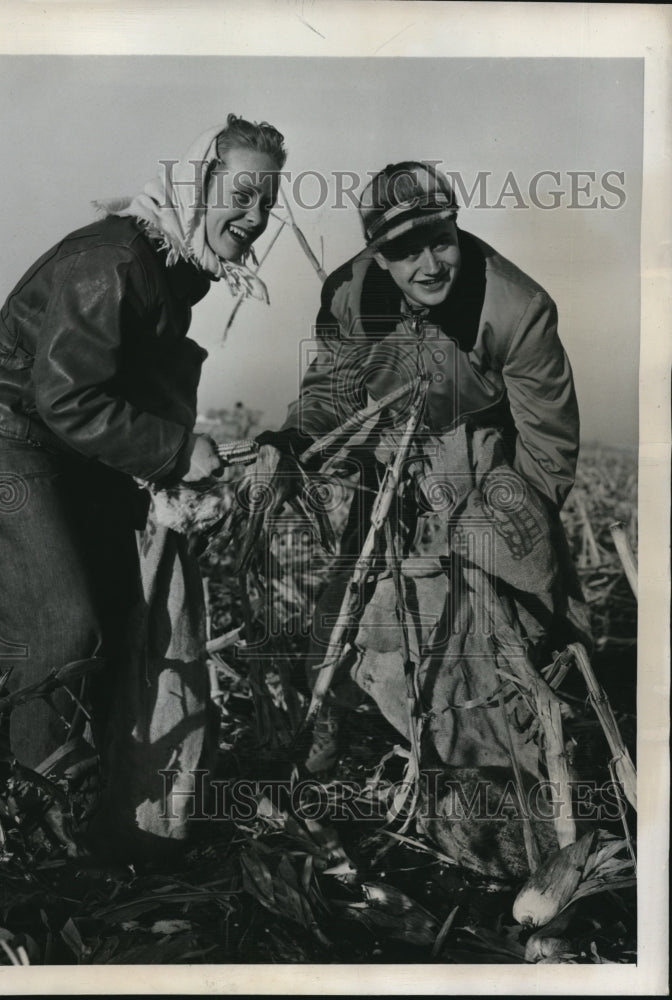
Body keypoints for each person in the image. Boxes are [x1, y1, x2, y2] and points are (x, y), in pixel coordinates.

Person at [0, 114, 286, 865]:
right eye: (241, 193)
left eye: (268, 201)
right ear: (196, 184)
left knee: (121, 613)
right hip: (12, 441)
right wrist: (175, 451)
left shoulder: (176, 266)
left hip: (72, 450)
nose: (255, 215)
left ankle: (108, 815)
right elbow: (67, 398)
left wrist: (180, 469)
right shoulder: (114, 260)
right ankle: (34, 829)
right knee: (63, 629)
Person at [258, 161, 590, 790]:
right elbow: (331, 389)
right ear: (379, 256)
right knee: (349, 608)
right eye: (406, 252)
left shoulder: (517, 308)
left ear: (457, 227)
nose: (431, 265)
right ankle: (325, 732)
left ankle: (506, 750)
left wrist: (503, 530)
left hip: (484, 464)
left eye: (441, 241)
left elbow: (548, 448)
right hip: (390, 461)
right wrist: (295, 439)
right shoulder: (350, 295)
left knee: (498, 620)